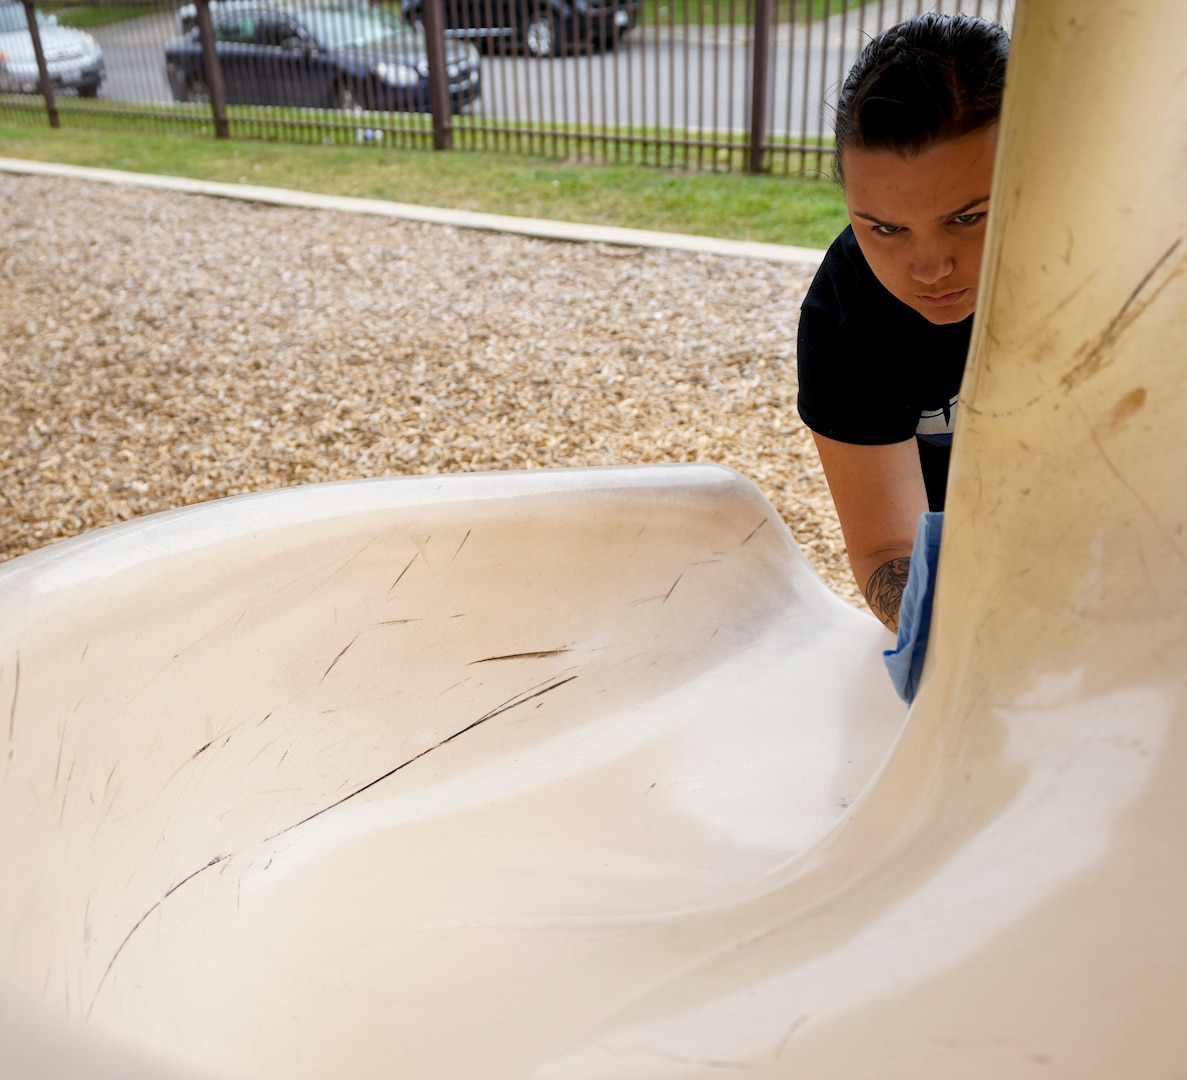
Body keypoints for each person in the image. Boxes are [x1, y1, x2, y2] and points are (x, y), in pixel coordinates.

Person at [796, 13, 1010, 633]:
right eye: (885, 229)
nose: (929, 269)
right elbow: (887, 552)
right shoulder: (847, 316)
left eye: (967, 218)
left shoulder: (1129, 270)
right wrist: (962, 635)